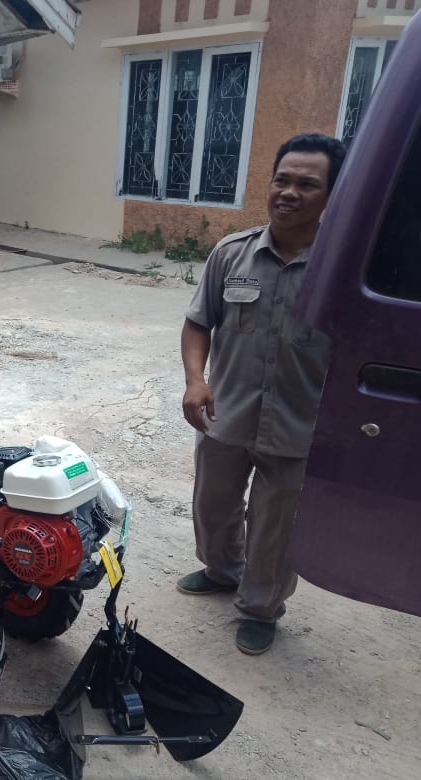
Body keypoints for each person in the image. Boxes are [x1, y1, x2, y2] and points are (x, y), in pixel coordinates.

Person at [177, 133, 346, 654]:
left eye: (307, 184)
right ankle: (224, 570)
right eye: (283, 180)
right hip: (227, 414)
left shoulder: (341, 269)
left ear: (332, 195)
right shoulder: (232, 255)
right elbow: (197, 324)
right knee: (213, 506)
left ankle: (260, 607)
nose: (289, 192)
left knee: (275, 525)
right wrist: (195, 379)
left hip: (299, 424)